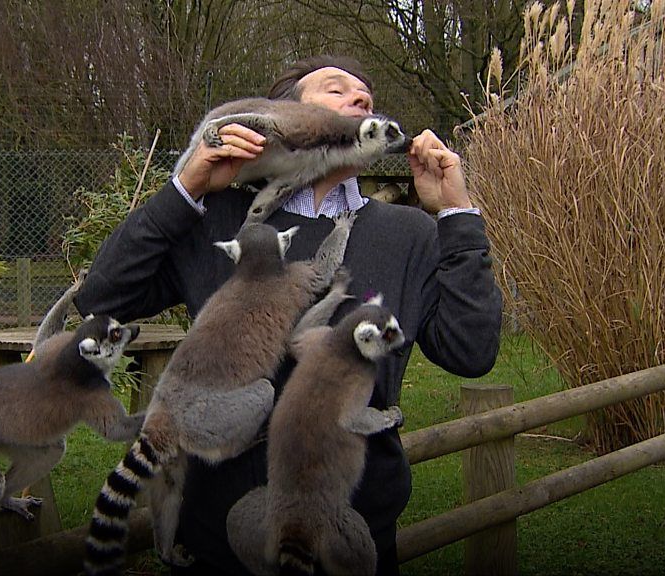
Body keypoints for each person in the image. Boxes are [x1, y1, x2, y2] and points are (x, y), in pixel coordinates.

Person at [73, 54, 503, 575]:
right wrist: (186, 188)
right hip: (219, 536)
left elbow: (471, 350)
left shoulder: (407, 233)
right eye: (335, 90)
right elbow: (101, 299)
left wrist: (457, 216)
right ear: (286, 119)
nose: (360, 100)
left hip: (351, 536)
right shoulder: (219, 219)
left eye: (365, 96)